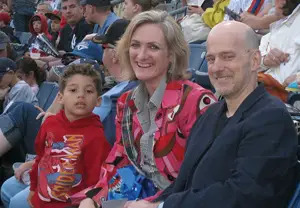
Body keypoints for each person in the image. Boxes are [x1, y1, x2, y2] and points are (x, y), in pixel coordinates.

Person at [124, 21, 298, 208]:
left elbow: (245, 195)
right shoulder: (211, 113)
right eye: (211, 59)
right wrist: (151, 203)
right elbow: (184, 183)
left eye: (227, 57)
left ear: (255, 60)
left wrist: (161, 207)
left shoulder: (270, 119)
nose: (216, 68)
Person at [72, 10, 216, 207]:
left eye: (153, 47)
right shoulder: (126, 101)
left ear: (172, 55)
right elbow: (118, 161)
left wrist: (153, 205)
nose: (141, 55)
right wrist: (94, 199)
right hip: (132, 196)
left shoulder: (197, 102)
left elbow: (204, 179)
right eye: (135, 45)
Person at [0, 19, 135, 208]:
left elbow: (96, 175)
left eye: (103, 47)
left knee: (22, 111)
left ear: (115, 52)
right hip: (57, 150)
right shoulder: (112, 86)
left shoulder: (123, 98)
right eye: (73, 91)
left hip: (73, 180)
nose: (81, 96)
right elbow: (45, 153)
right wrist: (34, 168)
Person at [27, 63, 112, 208]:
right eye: (73, 90)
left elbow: (95, 183)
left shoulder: (96, 137)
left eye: (89, 91)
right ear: (60, 97)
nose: (81, 95)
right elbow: (40, 159)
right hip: (40, 201)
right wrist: (33, 188)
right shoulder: (49, 124)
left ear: (98, 101)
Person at [258, 0, 300, 102]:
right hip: (263, 86)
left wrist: (298, 77)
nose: (273, 2)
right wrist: (265, 60)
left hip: (286, 97)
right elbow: (254, 61)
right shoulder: (276, 23)